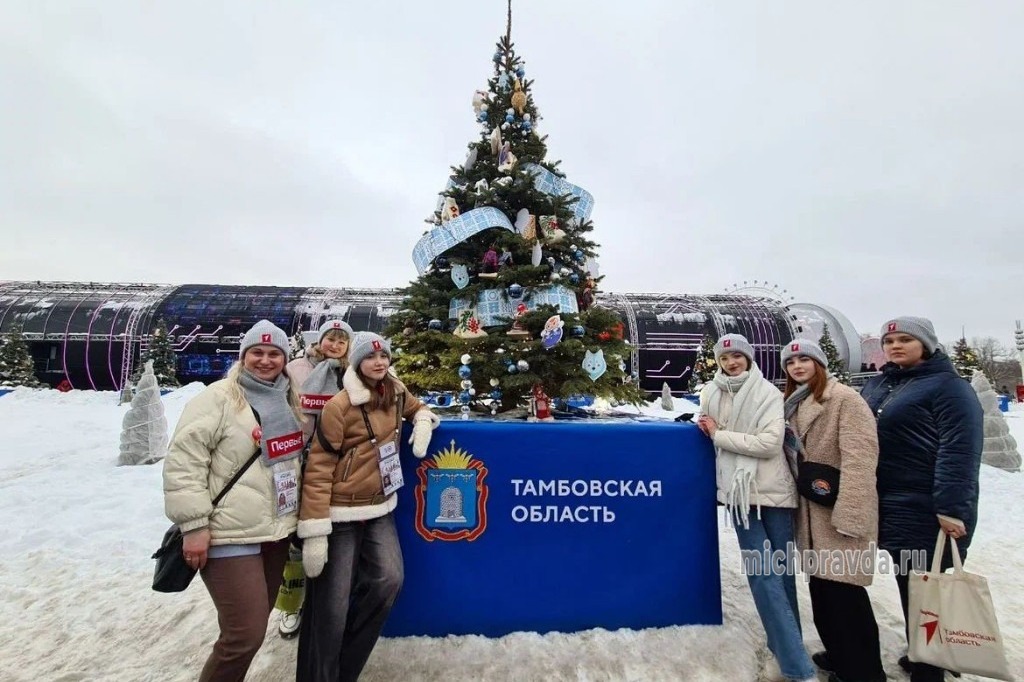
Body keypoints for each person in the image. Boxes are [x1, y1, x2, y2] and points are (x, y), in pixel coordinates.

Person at [163, 320, 304, 682]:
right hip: (228, 531)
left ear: (285, 359)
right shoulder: (219, 397)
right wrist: (193, 526)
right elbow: (184, 462)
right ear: (243, 356)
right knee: (244, 634)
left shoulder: (290, 398)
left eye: (274, 353)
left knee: (252, 628)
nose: (265, 360)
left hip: (275, 530)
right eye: (257, 352)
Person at [296, 332, 440, 681]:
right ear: (357, 362)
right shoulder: (339, 406)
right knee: (332, 605)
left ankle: (343, 669)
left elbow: (418, 406)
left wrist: (422, 421)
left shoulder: (395, 391)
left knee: (389, 580)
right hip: (340, 512)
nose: (379, 363)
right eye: (371, 357)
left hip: (379, 507)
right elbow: (318, 468)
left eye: (384, 357)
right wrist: (315, 531)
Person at [860, 317, 982, 682]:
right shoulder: (881, 384)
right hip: (890, 501)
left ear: (926, 344)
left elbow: (959, 452)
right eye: (890, 340)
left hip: (927, 506)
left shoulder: (949, 388)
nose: (895, 346)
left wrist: (951, 508)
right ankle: (924, 653)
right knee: (909, 584)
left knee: (925, 591)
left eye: (905, 340)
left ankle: (929, 669)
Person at [697, 334, 817, 682]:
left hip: (774, 494)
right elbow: (705, 425)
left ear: (749, 358)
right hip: (741, 495)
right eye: (725, 358)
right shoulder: (711, 393)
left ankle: (791, 660)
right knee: (764, 577)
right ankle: (794, 661)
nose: (732, 362)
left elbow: (769, 444)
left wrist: (719, 435)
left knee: (779, 576)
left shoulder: (766, 392)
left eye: (737, 356)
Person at [781, 339, 885, 682]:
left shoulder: (844, 400)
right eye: (791, 362)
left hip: (839, 513)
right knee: (823, 594)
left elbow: (860, 460)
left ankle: (864, 672)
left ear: (819, 364)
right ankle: (840, 656)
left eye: (804, 360)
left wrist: (851, 516)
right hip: (813, 512)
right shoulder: (795, 403)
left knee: (846, 599)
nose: (797, 367)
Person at [276, 319, 355, 639]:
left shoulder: (352, 373)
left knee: (330, 535)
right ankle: (291, 603)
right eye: (329, 338)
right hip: (297, 462)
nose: (334, 345)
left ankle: (326, 602)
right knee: (295, 539)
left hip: (336, 465)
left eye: (341, 340)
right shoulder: (296, 369)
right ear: (319, 340)